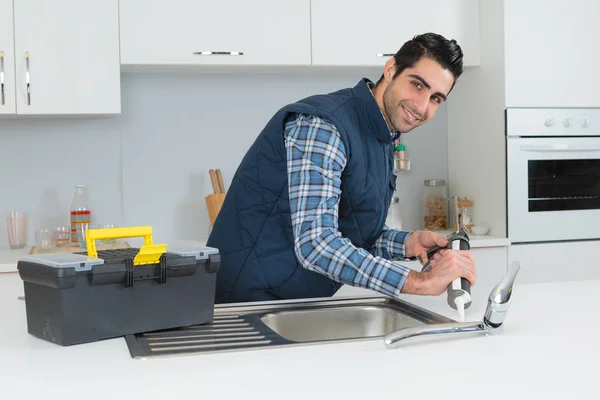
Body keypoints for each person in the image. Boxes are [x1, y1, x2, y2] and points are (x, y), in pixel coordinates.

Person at [207, 32, 476, 304]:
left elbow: (354, 232)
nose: (421, 106)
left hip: (290, 303)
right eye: (417, 85)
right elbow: (317, 245)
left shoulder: (382, 137)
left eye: (436, 98)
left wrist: (408, 244)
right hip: (245, 303)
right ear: (391, 69)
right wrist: (418, 282)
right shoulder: (324, 125)